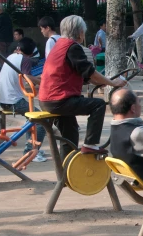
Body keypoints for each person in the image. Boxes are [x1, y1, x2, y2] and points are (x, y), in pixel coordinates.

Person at [37, 15, 126, 158]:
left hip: (48, 100)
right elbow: (90, 72)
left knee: (70, 136)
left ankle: (65, 174)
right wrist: (112, 83)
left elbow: (86, 76)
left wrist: (104, 80)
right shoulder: (73, 48)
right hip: (59, 100)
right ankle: (90, 144)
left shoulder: (59, 44)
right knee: (98, 105)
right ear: (80, 33)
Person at [0, 37, 47, 162]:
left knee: (32, 118)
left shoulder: (11, 57)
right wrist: (43, 82)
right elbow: (27, 77)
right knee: (41, 121)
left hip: (5, 99)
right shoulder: (25, 59)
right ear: (31, 53)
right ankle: (31, 151)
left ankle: (32, 147)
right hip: (13, 101)